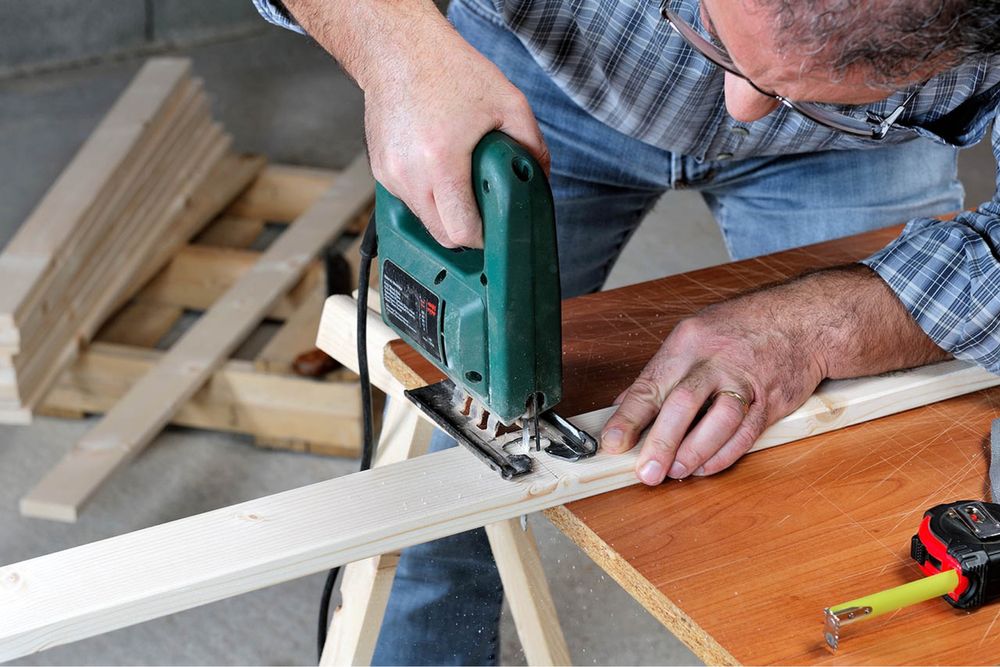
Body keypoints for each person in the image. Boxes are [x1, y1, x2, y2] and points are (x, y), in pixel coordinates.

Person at [254, 0, 1000, 663]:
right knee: (443, 510)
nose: (741, 104)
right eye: (711, 29)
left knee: (878, 518)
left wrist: (818, 328)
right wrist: (397, 48)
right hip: (541, 80)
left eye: (780, 78)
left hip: (852, 150)